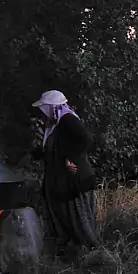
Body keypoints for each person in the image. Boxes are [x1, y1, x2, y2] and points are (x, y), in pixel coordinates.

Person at [30, 90, 98, 259]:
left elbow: (85, 140)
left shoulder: (67, 120)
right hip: (60, 178)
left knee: (76, 213)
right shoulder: (54, 123)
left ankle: (89, 251)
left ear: (52, 107)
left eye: (44, 107)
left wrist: (69, 157)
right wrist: (39, 154)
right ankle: (69, 249)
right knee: (61, 213)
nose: (42, 111)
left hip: (73, 177)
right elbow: (54, 147)